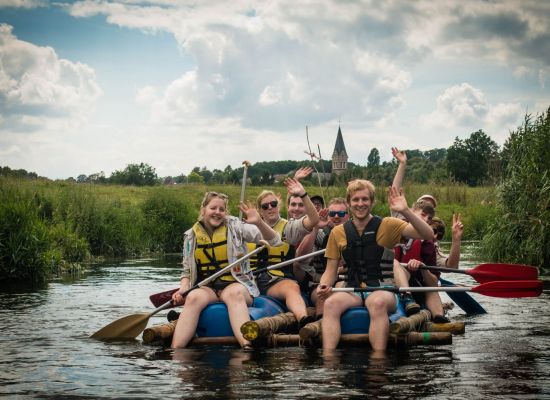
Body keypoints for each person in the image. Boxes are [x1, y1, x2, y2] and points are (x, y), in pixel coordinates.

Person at [316, 180, 433, 351]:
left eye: (365, 199)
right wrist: (323, 285)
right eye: (355, 200)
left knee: (376, 302)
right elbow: (330, 271)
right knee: (330, 304)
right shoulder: (337, 232)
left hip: (383, 290)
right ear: (349, 203)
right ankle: (329, 360)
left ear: (372, 202)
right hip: (353, 290)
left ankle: (378, 362)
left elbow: (427, 233)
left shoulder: (389, 225)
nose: (360, 204)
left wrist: (406, 211)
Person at [171, 192, 282, 350]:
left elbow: (275, 241)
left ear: (226, 212)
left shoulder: (236, 226)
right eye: (213, 208)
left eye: (221, 209)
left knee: (232, 295)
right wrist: (183, 289)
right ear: (203, 210)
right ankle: (176, 350)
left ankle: (246, 345)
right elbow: (187, 271)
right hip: (207, 288)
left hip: (236, 285)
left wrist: (258, 222)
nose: (217, 212)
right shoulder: (190, 236)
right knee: (193, 297)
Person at [252, 177, 320, 326]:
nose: (270, 207)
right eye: (265, 206)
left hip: (276, 281)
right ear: (259, 211)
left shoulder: (289, 228)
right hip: (249, 281)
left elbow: (314, 219)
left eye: (274, 204)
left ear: (279, 206)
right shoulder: (247, 229)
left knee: (292, 288)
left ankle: (303, 320)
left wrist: (303, 194)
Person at [392, 201, 449, 321]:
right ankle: (406, 297)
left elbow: (433, 283)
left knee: (431, 289)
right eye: (423, 215)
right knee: (395, 263)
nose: (426, 220)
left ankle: (439, 318)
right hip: (390, 282)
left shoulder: (428, 244)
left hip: (415, 285)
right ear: (412, 212)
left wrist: (423, 268)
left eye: (429, 218)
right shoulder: (395, 228)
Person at [294, 197, 349, 316]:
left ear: (348, 215)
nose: (336, 216)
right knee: (323, 292)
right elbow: (300, 258)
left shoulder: (354, 234)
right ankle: (320, 324)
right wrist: (315, 227)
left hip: (346, 280)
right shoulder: (320, 234)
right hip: (319, 282)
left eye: (341, 213)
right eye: (332, 213)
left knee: (340, 288)